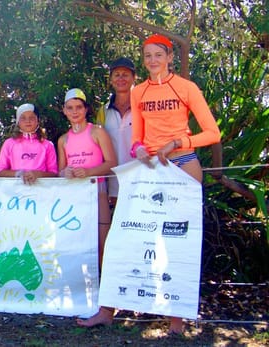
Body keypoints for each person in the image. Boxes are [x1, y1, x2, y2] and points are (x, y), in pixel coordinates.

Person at [79, 34, 221, 334]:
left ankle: (176, 321)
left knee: (179, 241)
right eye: (147, 56)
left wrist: (178, 142)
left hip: (182, 164)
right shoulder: (139, 91)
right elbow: (136, 139)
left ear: (169, 57)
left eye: (158, 55)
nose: (153, 60)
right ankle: (107, 310)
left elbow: (212, 133)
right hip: (146, 168)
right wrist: (138, 149)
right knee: (123, 238)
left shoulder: (186, 88)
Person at [57, 87, 117, 277]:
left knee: (102, 240)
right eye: (70, 108)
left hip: (97, 190)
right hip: (73, 195)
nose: (75, 112)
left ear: (86, 109)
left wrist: (89, 172)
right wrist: (65, 172)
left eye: (79, 107)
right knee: (77, 241)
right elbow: (59, 171)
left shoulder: (97, 132)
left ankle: (105, 286)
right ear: (64, 111)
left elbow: (111, 163)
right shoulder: (63, 140)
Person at [96, 57, 137, 207]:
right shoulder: (103, 111)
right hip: (114, 182)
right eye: (117, 74)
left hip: (142, 179)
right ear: (111, 79)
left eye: (125, 74)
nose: (121, 78)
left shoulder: (143, 106)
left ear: (134, 78)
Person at [0, 104, 58, 184]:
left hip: (42, 191)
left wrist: (38, 174)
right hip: (15, 191)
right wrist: (18, 174)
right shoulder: (9, 143)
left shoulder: (47, 145)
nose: (27, 121)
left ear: (37, 120)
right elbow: (0, 171)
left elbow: (54, 173)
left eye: (31, 117)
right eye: (23, 118)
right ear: (18, 122)